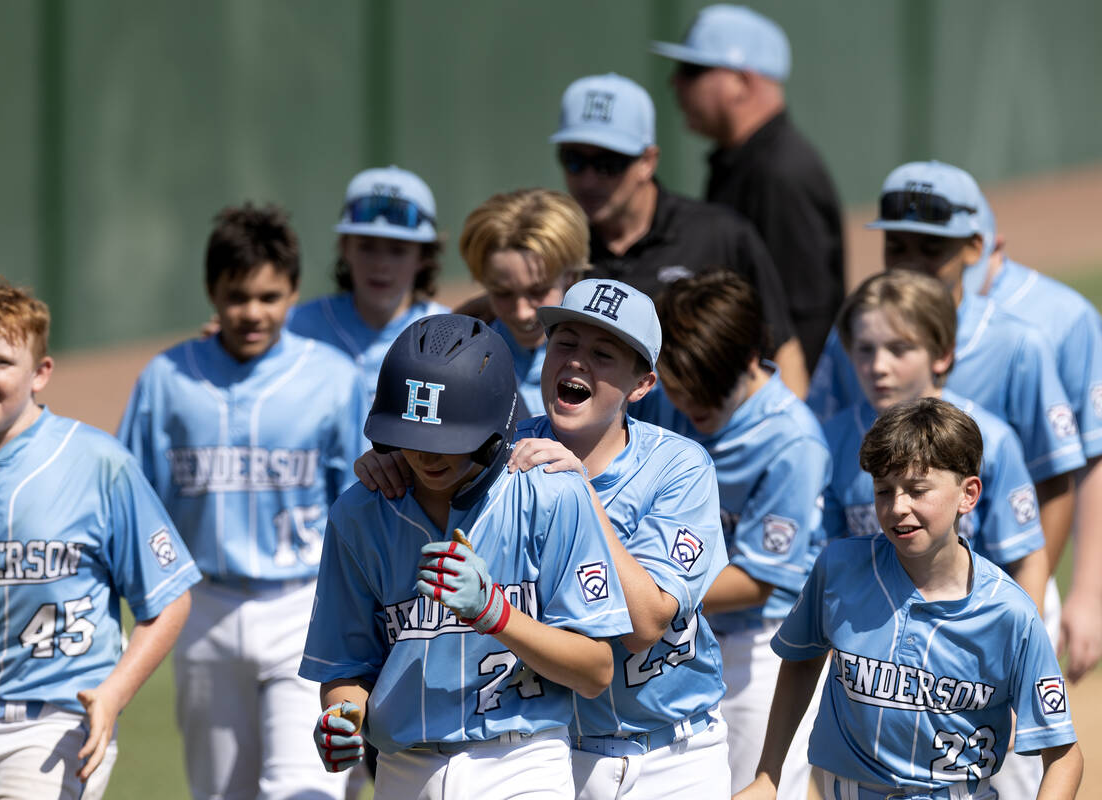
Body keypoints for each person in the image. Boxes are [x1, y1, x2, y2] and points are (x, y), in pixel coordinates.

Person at [355, 280, 733, 798]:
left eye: (603, 354)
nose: (577, 361)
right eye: (566, 343)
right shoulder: (498, 450)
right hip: (552, 751)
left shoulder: (679, 466)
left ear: (642, 384)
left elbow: (647, 623)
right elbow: (428, 468)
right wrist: (389, 461)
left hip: (674, 752)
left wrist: (582, 491)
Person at [302, 314, 632, 800]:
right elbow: (345, 669)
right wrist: (340, 716)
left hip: (521, 762)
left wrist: (496, 614)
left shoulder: (550, 496)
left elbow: (595, 671)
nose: (427, 456)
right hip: (403, 768)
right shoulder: (359, 513)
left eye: (448, 441)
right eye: (413, 436)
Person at [0, 281, 199, 799]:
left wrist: (113, 694)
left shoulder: (97, 463)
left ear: (40, 373)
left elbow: (169, 598)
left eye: (1, 361)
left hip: (58, 727)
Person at [119, 204, 366, 800]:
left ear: (293, 292)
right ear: (212, 292)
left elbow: (360, 501)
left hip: (304, 605)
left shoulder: (332, 378)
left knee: (304, 787)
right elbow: (132, 501)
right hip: (204, 605)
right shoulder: (168, 378)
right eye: (237, 296)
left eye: (269, 296)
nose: (252, 312)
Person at [807, 162, 1085, 680]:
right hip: (881, 607)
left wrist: (1022, 606)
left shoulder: (1017, 345)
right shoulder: (861, 334)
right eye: (897, 247)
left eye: (931, 248)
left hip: (995, 583)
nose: (911, 263)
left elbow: (1053, 479)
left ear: (975, 247)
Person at [735, 398, 1082, 800]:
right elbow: (802, 659)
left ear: (968, 494)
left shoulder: (1009, 612)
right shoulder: (839, 569)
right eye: (884, 491)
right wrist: (768, 775)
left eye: (917, 490)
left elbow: (1064, 756)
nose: (898, 507)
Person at [629, 272, 830, 798]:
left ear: (750, 359)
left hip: (758, 646)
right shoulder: (668, 398)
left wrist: (643, 596)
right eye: (678, 387)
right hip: (673, 630)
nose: (691, 405)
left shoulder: (792, 440)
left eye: (708, 391)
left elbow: (756, 581)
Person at [548, 71, 808, 397]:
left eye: (607, 163)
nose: (588, 180)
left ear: (647, 161)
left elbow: (784, 351)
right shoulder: (557, 246)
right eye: (573, 160)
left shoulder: (720, 236)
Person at [824, 270, 1048, 608]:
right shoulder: (832, 439)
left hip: (974, 621)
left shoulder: (991, 440)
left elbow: (1026, 560)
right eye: (865, 349)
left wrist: (1020, 632)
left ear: (942, 354)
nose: (878, 366)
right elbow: (826, 559)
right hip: (875, 625)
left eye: (899, 349)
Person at [652, 4, 845, 374]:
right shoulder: (744, 161)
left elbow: (804, 318)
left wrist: (783, 403)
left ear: (742, 82)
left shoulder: (780, 173)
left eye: (693, 70)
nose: (675, 82)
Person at [963, 193, 1102, 684]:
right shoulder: (889, 318)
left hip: (1018, 566)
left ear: (991, 245)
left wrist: (1088, 592)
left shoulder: (1063, 316)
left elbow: (1092, 453)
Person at [287, 165, 449, 403]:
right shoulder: (296, 326)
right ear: (344, 247)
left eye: (398, 250)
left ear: (424, 256)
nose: (381, 264)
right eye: (366, 246)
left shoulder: (450, 337)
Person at [458, 188, 590, 417]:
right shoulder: (463, 359)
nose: (522, 312)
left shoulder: (610, 364)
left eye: (538, 291)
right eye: (502, 293)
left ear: (570, 276)